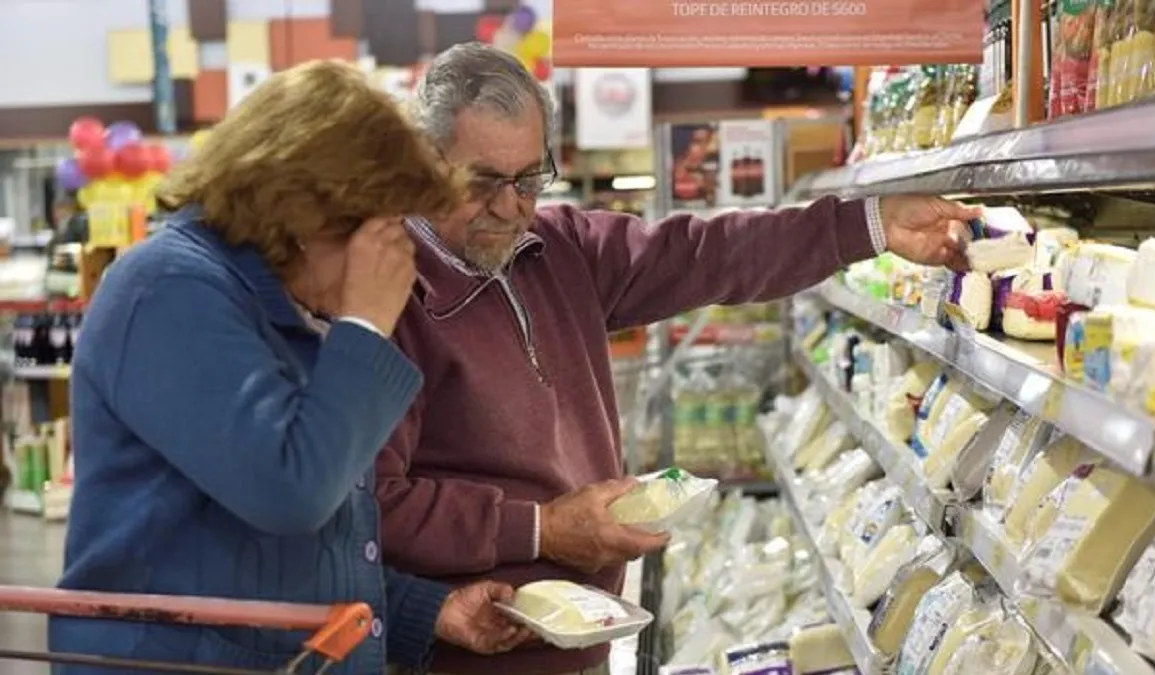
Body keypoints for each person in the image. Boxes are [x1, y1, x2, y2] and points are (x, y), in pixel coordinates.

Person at [376, 43, 978, 675]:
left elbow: (709, 254)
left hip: (581, 649)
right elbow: (377, 506)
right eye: (482, 183)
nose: (510, 207)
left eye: (529, 179)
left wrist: (871, 225)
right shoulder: (386, 300)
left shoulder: (557, 248)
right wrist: (541, 529)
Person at [49, 60, 526, 675]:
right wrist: (363, 327)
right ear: (308, 214)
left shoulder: (278, 306)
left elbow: (304, 547)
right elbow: (290, 490)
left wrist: (428, 612)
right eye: (379, 231)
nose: (392, 256)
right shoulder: (168, 289)